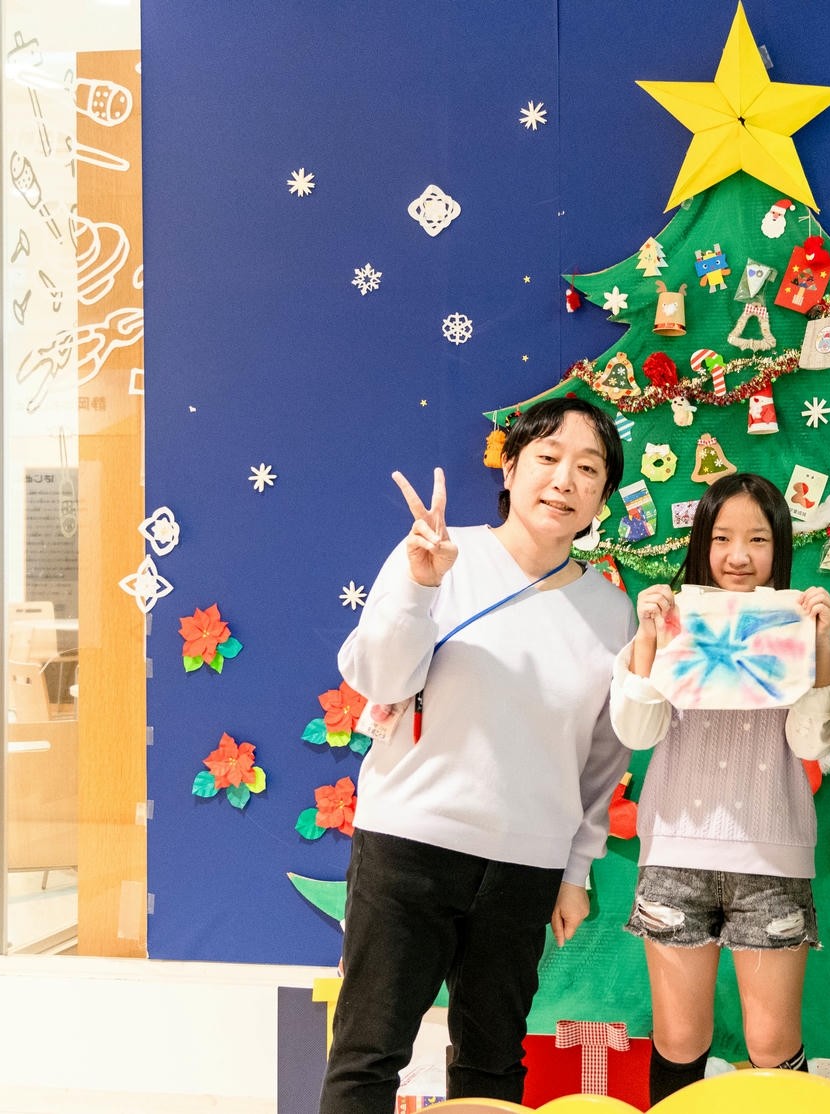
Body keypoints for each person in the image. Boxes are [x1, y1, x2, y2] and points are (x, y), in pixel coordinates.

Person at [320, 398, 634, 1112]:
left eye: (589, 469)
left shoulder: (611, 611)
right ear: (511, 467)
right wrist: (420, 585)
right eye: (548, 458)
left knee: (493, 1063)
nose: (565, 480)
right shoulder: (438, 554)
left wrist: (575, 870)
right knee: (368, 1054)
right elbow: (379, 679)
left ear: (602, 498)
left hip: (526, 867)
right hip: (409, 846)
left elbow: (601, 759)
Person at [610, 473, 830, 1103]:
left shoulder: (797, 630)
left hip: (771, 859)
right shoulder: (668, 626)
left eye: (758, 539)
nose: (739, 555)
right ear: (702, 545)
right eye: (722, 538)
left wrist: (819, 645)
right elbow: (636, 729)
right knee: (679, 1040)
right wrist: (648, 640)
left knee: (771, 1045)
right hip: (675, 857)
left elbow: (812, 744)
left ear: (780, 546)